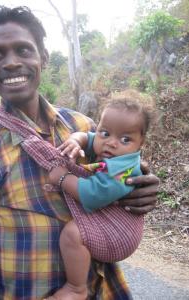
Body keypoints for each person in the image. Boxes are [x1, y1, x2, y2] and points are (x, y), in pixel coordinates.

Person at [0, 6, 159, 300]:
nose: (12, 62)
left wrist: (142, 183)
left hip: (100, 288)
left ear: (43, 57)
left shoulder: (81, 125)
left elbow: (117, 176)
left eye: (23, 50)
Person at [47, 98, 151, 299]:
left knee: (72, 234)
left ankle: (76, 288)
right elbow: (89, 136)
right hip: (109, 218)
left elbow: (93, 194)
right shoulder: (108, 145)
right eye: (106, 133)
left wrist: (62, 178)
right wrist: (77, 140)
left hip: (121, 233)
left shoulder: (125, 168)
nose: (111, 143)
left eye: (125, 140)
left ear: (141, 143)